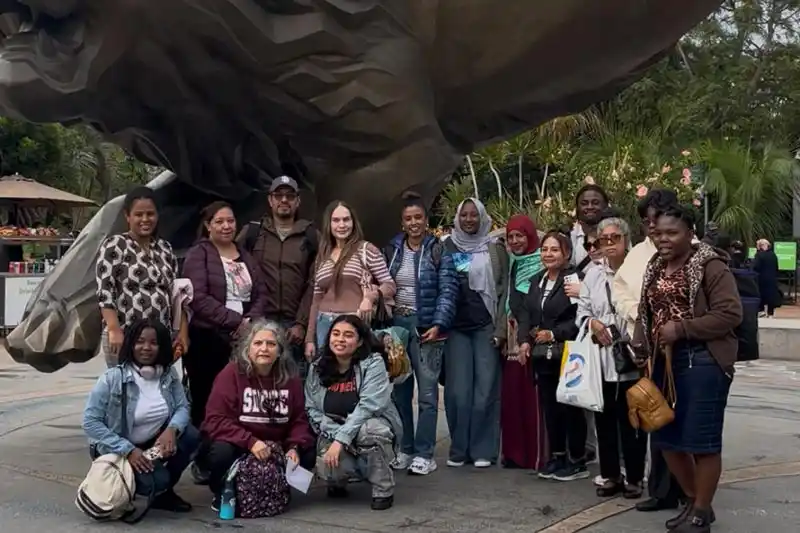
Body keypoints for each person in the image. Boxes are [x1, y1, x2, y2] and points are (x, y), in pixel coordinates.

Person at [635, 205, 741, 533]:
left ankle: (700, 510)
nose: (663, 239)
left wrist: (681, 329)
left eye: (672, 233)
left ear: (689, 233)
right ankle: (696, 503)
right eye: (657, 233)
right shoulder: (655, 266)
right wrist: (641, 339)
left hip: (704, 361)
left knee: (701, 441)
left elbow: (730, 314)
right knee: (666, 438)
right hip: (663, 363)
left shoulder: (710, 265)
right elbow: (647, 310)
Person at [613, 187, 686, 513]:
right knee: (657, 418)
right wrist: (637, 315)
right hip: (650, 350)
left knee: (687, 424)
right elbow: (621, 290)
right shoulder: (639, 253)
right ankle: (661, 489)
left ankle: (692, 491)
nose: (653, 228)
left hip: (687, 351)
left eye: (657, 219)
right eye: (647, 222)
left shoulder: (693, 250)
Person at [82, 319, 199, 513]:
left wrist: (172, 429)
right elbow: (90, 422)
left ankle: (161, 491)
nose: (146, 347)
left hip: (150, 444)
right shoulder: (112, 379)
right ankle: (133, 484)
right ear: (130, 344)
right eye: (140, 341)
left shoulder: (168, 375)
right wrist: (128, 450)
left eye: (154, 343)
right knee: (158, 480)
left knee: (191, 436)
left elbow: (182, 407)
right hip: (117, 447)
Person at [200, 319, 315, 511]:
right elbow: (215, 420)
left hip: (275, 447)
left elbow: (298, 419)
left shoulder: (290, 378)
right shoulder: (231, 374)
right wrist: (250, 441)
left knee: (308, 452)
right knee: (220, 453)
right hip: (239, 444)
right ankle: (222, 490)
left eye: (271, 344)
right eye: (258, 343)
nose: (264, 348)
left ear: (280, 351)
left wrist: (293, 446)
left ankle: (274, 488)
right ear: (248, 349)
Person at [382, 192, 458, 475]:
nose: (414, 223)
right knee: (400, 391)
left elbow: (449, 290)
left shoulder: (439, 250)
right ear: (402, 223)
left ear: (426, 221)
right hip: (397, 326)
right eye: (408, 219)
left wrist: (439, 322)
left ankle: (425, 453)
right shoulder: (392, 250)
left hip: (427, 326)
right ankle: (405, 448)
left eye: (418, 218)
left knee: (427, 393)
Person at [182, 201, 268, 429]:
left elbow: (261, 293)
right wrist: (235, 321)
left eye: (230, 221)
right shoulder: (198, 254)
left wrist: (249, 321)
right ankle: (205, 447)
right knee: (207, 396)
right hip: (208, 337)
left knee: (240, 395)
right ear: (208, 225)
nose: (226, 226)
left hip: (244, 338)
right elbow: (197, 296)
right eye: (219, 221)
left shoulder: (245, 255)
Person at [577, 217, 646, 498]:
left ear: (626, 240)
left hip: (630, 354)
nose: (608, 245)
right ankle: (609, 474)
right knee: (603, 419)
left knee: (632, 419)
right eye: (602, 240)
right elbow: (582, 309)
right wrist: (593, 324)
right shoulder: (593, 273)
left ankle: (635, 476)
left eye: (614, 238)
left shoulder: (637, 270)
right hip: (601, 357)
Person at [305, 314, 402, 511]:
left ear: (359, 342)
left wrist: (341, 440)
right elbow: (311, 408)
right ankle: (339, 480)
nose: (340, 339)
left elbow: (369, 407)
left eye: (348, 335)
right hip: (332, 428)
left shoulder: (373, 363)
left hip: (368, 424)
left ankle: (383, 488)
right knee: (328, 467)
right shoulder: (317, 367)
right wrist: (335, 435)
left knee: (370, 430)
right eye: (336, 334)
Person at [443, 198, 508, 468]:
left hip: (485, 326)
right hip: (456, 328)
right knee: (458, 392)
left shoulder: (495, 249)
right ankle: (459, 449)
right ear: (458, 218)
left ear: (482, 218)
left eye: (474, 215)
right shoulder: (445, 246)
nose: (469, 219)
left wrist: (501, 329)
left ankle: (483, 449)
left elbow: (505, 290)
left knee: (486, 390)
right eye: (465, 215)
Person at [516, 231, 584, 481]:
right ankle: (557, 456)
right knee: (550, 406)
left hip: (568, 353)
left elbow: (581, 317)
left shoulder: (573, 279)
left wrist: (554, 334)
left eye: (554, 250)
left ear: (566, 253)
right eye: (545, 250)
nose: (548, 254)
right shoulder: (537, 281)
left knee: (570, 407)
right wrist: (524, 341)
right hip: (542, 356)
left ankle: (576, 459)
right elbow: (526, 314)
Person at [95, 187, 189, 367]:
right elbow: (104, 292)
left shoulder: (165, 248)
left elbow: (177, 294)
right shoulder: (115, 245)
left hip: (159, 338)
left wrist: (181, 333)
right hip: (125, 334)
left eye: (150, 214)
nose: (145, 219)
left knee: (158, 390)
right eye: (138, 214)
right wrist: (113, 329)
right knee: (125, 388)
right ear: (127, 216)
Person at [238, 175, 319, 377]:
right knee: (256, 382)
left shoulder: (311, 236)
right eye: (279, 195)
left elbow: (315, 283)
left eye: (290, 196)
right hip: (259, 322)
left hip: (294, 327)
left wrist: (301, 323)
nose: (284, 200)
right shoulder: (253, 232)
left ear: (297, 201)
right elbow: (232, 269)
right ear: (270, 200)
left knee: (293, 383)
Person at [304, 201, 396, 357]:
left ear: (353, 222)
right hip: (324, 324)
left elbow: (390, 285)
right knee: (328, 375)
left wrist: (370, 298)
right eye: (336, 220)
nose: (342, 225)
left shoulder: (366, 250)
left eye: (346, 219)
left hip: (354, 324)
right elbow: (316, 300)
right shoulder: (322, 256)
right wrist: (309, 339)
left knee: (355, 373)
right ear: (329, 223)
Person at [504, 214, 548, 471]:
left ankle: (535, 455)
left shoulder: (542, 261)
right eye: (510, 237)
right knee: (512, 396)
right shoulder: (513, 262)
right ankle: (514, 453)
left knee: (533, 399)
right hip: (512, 338)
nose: (515, 241)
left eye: (520, 235)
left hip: (533, 337)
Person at [570, 184, 610, 273]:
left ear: (605, 206)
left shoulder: (618, 233)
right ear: (577, 208)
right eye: (584, 203)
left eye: (595, 203)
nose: (590, 207)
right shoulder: (570, 235)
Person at [752, 238, 780, 318]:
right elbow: (776, 267)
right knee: (771, 295)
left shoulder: (759, 255)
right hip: (772, 278)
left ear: (760, 246)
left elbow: (755, 266)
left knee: (760, 294)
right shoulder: (773, 255)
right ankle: (770, 313)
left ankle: (761, 310)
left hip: (761, 278)